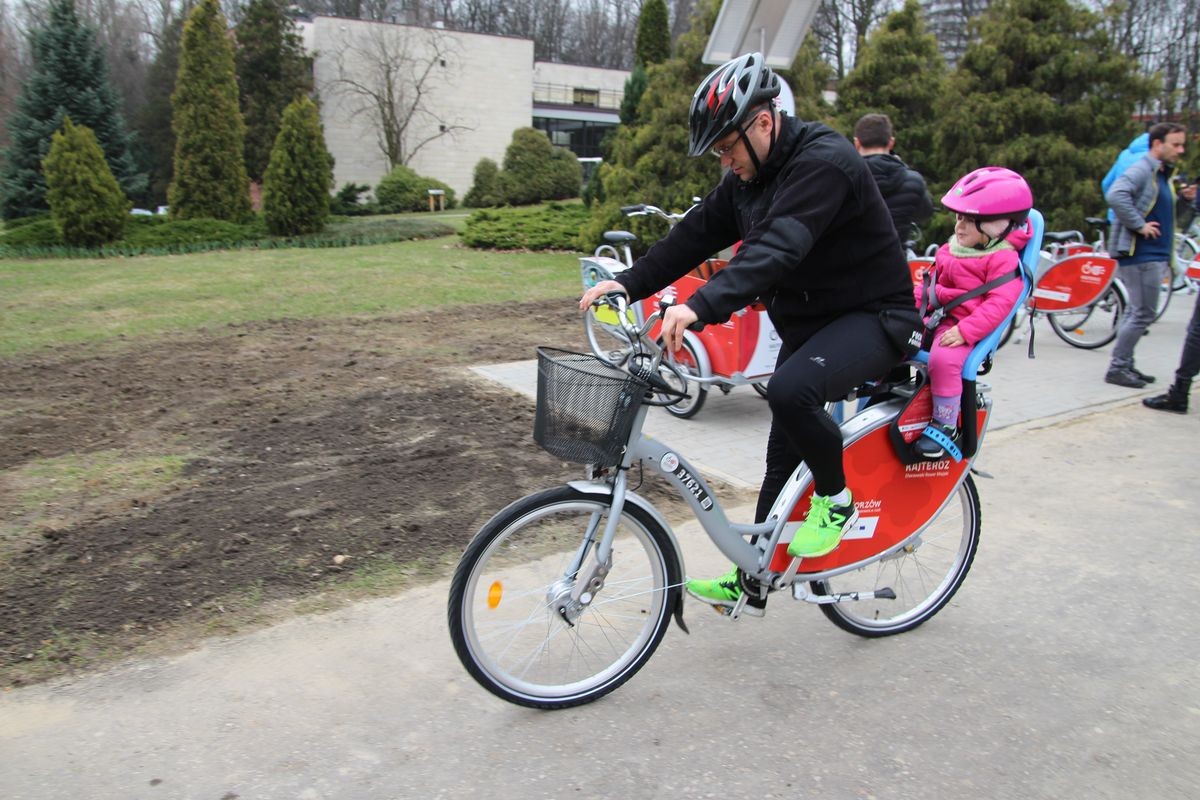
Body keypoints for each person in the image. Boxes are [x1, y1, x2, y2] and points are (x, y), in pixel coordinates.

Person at [578, 52, 919, 616]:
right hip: (812, 327)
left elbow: (779, 246)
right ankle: (753, 579)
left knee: (790, 393)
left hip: (876, 318)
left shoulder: (824, 163)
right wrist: (628, 284)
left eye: (728, 145)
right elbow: (692, 236)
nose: (724, 158)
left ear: (764, 121)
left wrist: (700, 307)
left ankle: (837, 501)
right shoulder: (745, 178)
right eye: (718, 150)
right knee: (780, 456)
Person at [913, 167, 1033, 458]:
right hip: (937, 316)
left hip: (962, 327)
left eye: (970, 221)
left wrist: (966, 331)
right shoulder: (952, 249)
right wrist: (908, 309)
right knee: (893, 337)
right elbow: (930, 284)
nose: (959, 227)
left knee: (944, 358)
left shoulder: (1001, 258)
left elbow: (1000, 303)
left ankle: (945, 423)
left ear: (997, 226)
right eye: (959, 218)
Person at [1104, 122, 1196, 388]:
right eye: (1175, 144)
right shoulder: (1142, 169)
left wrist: (1186, 200)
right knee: (1142, 313)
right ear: (1158, 144)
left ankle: (1126, 365)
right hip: (1141, 254)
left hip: (1153, 254)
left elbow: (1164, 212)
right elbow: (1116, 194)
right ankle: (1118, 367)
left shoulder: (1162, 174)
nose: (1180, 150)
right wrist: (1138, 224)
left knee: (1138, 312)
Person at [853, 113, 934, 239]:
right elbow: (924, 213)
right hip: (894, 256)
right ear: (891, 143)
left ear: (857, 143)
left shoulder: (840, 179)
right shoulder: (913, 181)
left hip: (849, 257)